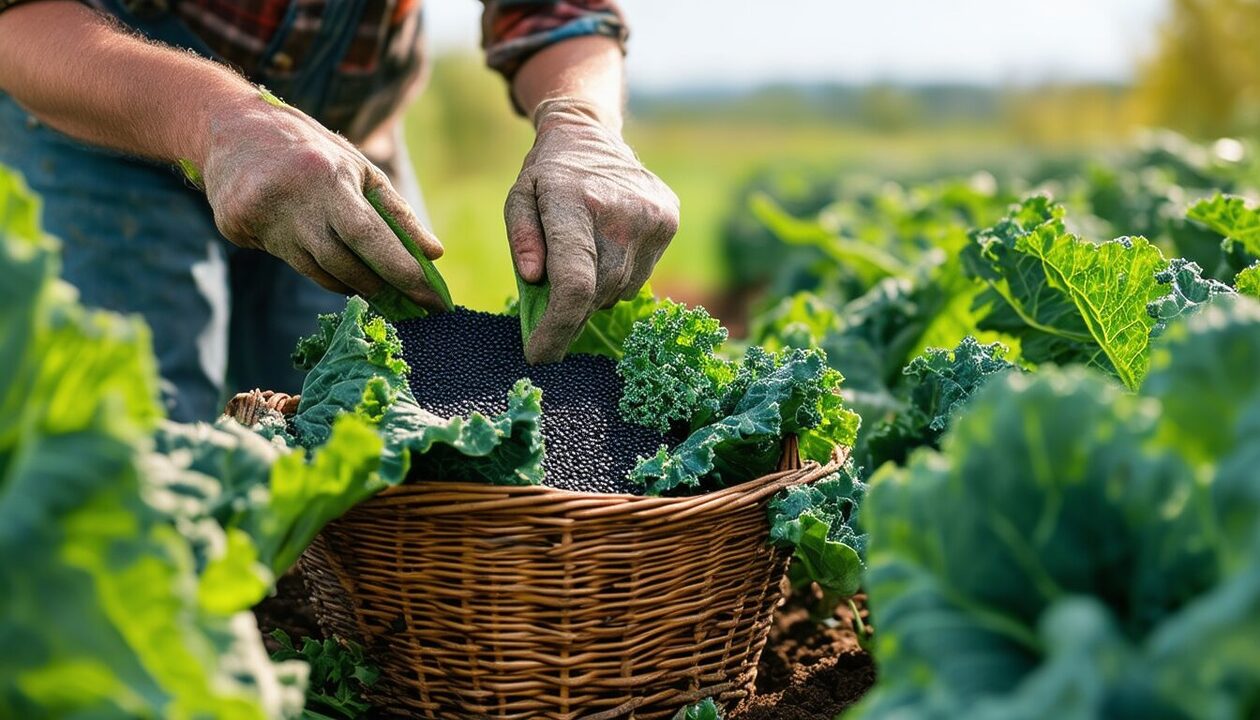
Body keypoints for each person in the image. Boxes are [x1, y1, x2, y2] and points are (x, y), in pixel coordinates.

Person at [0, 0, 679, 422]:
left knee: (364, 434)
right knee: (138, 440)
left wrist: (581, 119)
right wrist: (220, 124)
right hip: (104, 119)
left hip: (348, 148)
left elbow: (553, 10)